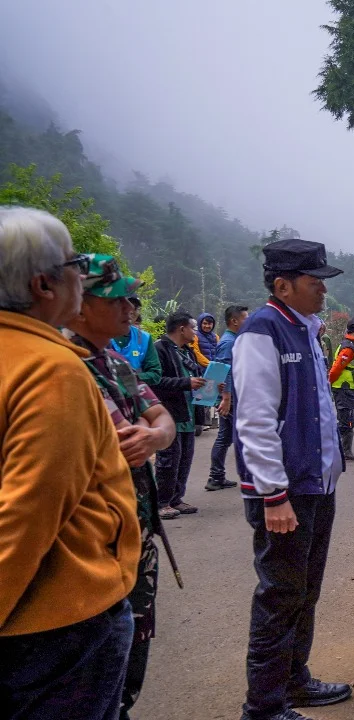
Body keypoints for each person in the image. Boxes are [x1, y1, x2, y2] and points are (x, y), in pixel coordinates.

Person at [0, 207, 140, 719]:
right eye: (74, 264)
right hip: (54, 616)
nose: (82, 276)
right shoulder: (52, 369)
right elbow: (30, 509)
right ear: (44, 284)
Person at [233, 238, 351, 720]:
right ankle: (263, 707)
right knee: (280, 596)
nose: (322, 288)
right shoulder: (263, 331)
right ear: (283, 286)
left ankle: (294, 679)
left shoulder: (305, 329)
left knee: (305, 590)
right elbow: (255, 420)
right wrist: (273, 494)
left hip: (316, 486)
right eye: (313, 280)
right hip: (285, 494)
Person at [66, 254, 178, 719]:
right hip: (92, 540)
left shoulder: (113, 361)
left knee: (133, 642)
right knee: (92, 663)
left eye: (131, 298)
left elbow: (162, 420)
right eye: (115, 299)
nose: (129, 308)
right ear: (79, 305)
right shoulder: (63, 366)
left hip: (136, 529)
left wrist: (154, 436)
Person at [152, 311, 206, 520]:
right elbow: (155, 381)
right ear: (182, 328)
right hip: (170, 413)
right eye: (193, 328)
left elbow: (193, 379)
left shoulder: (187, 352)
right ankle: (162, 501)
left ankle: (176, 498)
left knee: (184, 458)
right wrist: (186, 383)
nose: (195, 332)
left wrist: (210, 386)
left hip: (188, 414)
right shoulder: (160, 349)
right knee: (168, 459)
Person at [207, 304, 250, 492]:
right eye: (244, 318)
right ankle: (216, 476)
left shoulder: (234, 339)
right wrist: (226, 398)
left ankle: (217, 476)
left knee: (226, 437)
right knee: (227, 437)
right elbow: (225, 371)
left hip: (233, 397)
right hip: (230, 399)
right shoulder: (228, 342)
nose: (247, 321)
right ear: (234, 321)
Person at [328, 317, 354, 461]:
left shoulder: (353, 345)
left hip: (350, 389)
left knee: (349, 419)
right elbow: (335, 369)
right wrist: (328, 384)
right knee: (346, 421)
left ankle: (345, 451)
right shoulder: (348, 348)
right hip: (345, 389)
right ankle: (335, 450)